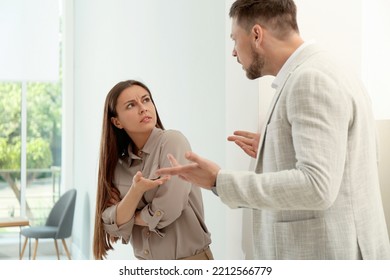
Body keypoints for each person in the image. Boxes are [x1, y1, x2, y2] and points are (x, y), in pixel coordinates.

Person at [156, 0, 390, 259]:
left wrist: (218, 180)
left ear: (257, 35)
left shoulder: (310, 80)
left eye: (235, 40)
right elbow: (342, 157)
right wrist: (277, 147)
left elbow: (317, 187)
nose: (233, 52)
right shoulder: (329, 68)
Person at [93, 80, 213, 260]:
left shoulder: (173, 141)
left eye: (146, 100)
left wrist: (128, 215)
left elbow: (167, 210)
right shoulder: (119, 166)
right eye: (131, 105)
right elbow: (110, 223)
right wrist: (135, 191)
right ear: (117, 121)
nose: (143, 108)